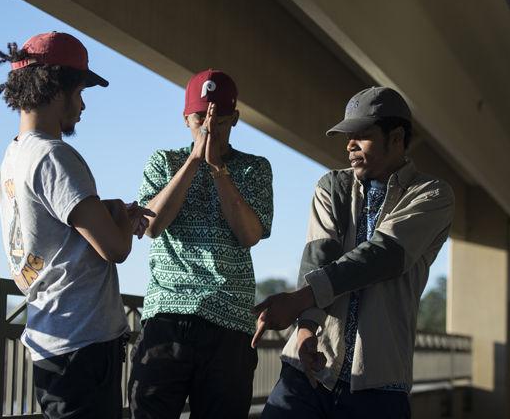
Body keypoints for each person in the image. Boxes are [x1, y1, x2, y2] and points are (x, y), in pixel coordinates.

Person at [252, 87, 455, 418]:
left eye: (363, 135)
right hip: (308, 372)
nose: (350, 145)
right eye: (348, 136)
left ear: (397, 138)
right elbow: (319, 257)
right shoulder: (332, 186)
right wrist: (305, 331)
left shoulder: (432, 194)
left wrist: (298, 300)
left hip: (379, 384)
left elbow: (385, 255)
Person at [0, 31, 152, 419]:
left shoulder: (13, 156)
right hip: (84, 345)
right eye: (79, 91)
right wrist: (119, 217)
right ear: (54, 87)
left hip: (49, 339)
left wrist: (106, 208)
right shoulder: (55, 156)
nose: (82, 105)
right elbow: (115, 249)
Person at [128, 69, 274, 419]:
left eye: (221, 121)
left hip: (230, 323)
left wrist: (218, 170)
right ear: (186, 119)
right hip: (168, 314)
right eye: (200, 120)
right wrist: (194, 161)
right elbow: (150, 225)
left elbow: (249, 234)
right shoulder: (163, 162)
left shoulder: (255, 169)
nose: (210, 130)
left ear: (235, 119)